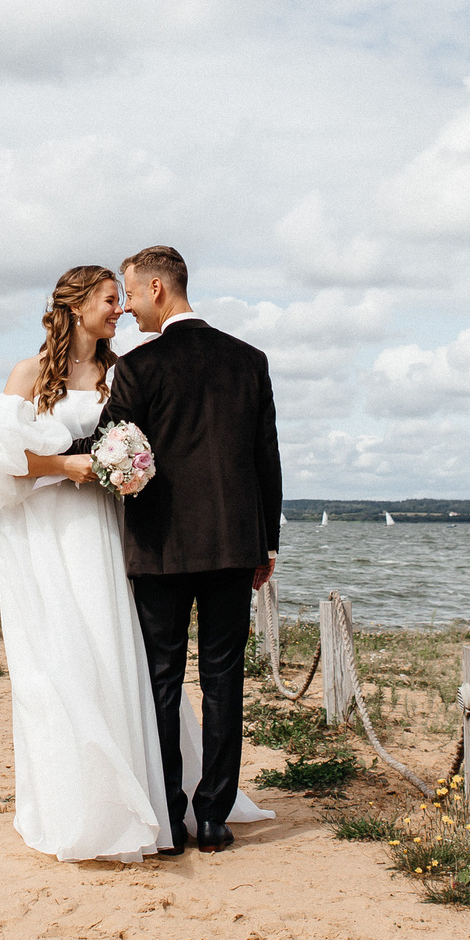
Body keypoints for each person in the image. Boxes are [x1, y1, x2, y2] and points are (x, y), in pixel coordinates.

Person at [0, 263, 271, 861]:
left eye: (123, 298)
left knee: (118, 660)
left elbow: (151, 444)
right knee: (57, 668)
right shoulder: (29, 374)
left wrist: (118, 472)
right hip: (47, 533)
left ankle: (148, 799)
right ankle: (75, 801)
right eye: (110, 300)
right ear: (77, 308)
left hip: (106, 531)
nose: (121, 310)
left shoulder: (121, 372)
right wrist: (66, 468)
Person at [79, 245, 282, 853]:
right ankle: (214, 817)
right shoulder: (250, 360)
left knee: (161, 682)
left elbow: (105, 445)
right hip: (232, 545)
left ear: (159, 290)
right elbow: (266, 460)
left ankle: (169, 815)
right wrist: (265, 543)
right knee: (225, 681)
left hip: (161, 549)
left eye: (133, 294)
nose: (130, 306)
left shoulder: (141, 367)